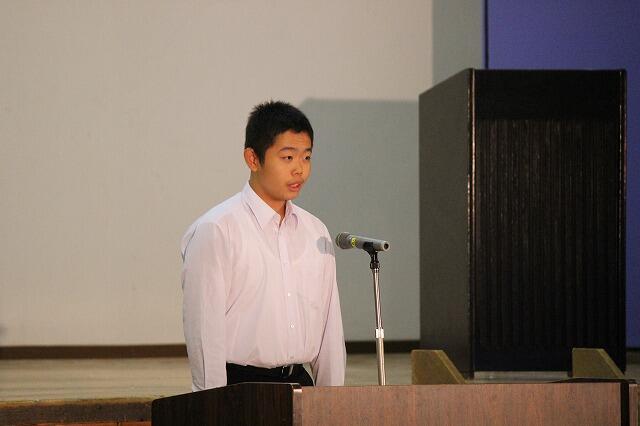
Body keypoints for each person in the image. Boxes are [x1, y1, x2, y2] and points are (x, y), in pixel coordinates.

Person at [180, 100, 346, 390]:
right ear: (253, 159)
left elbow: (330, 329)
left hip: (301, 383)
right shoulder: (217, 229)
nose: (300, 170)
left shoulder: (316, 232)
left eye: (306, 157)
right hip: (242, 386)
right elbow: (205, 334)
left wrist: (331, 402)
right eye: (288, 157)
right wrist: (211, 405)